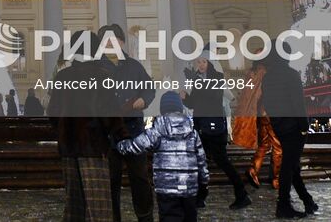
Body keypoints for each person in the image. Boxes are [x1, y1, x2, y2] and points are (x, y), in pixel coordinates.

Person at [52, 31, 129, 222]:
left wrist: (62, 132)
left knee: (74, 204)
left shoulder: (63, 76)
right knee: (98, 205)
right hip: (93, 146)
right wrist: (123, 136)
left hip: (68, 147)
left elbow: (53, 112)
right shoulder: (101, 76)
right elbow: (110, 113)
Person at [116, 91, 210, 222]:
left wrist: (121, 145)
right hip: (189, 188)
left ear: (162, 109)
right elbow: (201, 161)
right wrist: (204, 184)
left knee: (169, 217)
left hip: (166, 188)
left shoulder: (157, 130)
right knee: (190, 217)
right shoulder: (192, 133)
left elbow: (137, 145)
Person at [102, 24, 156, 222]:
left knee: (140, 178)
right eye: (105, 40)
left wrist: (144, 99)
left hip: (133, 131)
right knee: (111, 180)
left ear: (122, 42)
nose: (109, 43)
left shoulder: (134, 66)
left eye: (113, 39)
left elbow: (149, 88)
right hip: (108, 133)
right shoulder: (96, 67)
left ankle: (145, 217)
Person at [183, 57, 251, 210]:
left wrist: (195, 80)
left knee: (222, 161)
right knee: (200, 162)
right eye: (198, 62)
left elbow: (212, 96)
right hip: (201, 127)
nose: (200, 65)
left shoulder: (217, 77)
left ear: (209, 63)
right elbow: (194, 103)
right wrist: (185, 98)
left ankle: (241, 194)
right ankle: (201, 197)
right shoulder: (197, 79)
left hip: (214, 128)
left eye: (203, 61)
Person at [260, 52, 316, 218]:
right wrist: (304, 127)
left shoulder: (267, 77)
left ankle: (307, 201)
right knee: (289, 165)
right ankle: (283, 205)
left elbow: (267, 104)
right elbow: (298, 103)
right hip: (295, 127)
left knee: (292, 165)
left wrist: (276, 123)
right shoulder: (291, 74)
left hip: (279, 127)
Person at [232, 63, 280, 190]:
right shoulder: (265, 72)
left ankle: (254, 170)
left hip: (261, 113)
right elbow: (264, 93)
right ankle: (276, 179)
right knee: (278, 145)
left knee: (264, 144)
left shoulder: (253, 72)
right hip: (268, 112)